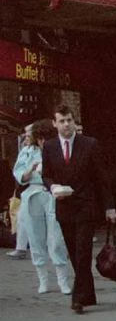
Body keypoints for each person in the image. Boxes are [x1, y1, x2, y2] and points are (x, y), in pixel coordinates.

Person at [41, 105, 116, 314]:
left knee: (83, 252)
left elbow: (102, 178)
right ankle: (88, 292)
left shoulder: (89, 144)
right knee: (74, 253)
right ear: (54, 123)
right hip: (64, 205)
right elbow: (46, 175)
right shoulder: (49, 147)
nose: (66, 125)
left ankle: (78, 298)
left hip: (86, 206)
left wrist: (109, 206)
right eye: (62, 121)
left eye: (69, 121)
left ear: (74, 122)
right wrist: (52, 186)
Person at [13, 120, 71, 294]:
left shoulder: (57, 150)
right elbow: (19, 175)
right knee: (35, 237)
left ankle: (63, 280)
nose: (41, 142)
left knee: (56, 238)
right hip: (33, 193)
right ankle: (43, 280)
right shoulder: (27, 152)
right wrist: (31, 169)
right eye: (39, 138)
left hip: (53, 194)